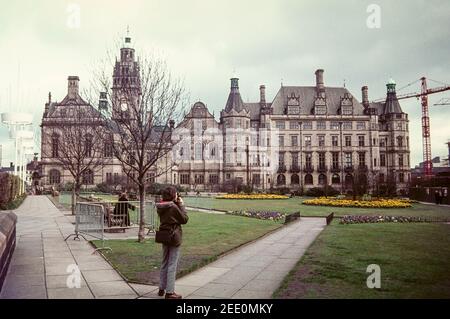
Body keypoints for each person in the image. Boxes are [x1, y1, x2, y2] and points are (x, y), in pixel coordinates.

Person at [156, 186, 189, 299]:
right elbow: (184, 219)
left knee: (164, 262)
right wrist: (181, 205)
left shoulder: (160, 206)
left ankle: (161, 288)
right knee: (172, 264)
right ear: (173, 195)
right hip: (174, 236)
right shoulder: (173, 207)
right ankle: (170, 292)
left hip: (164, 235)